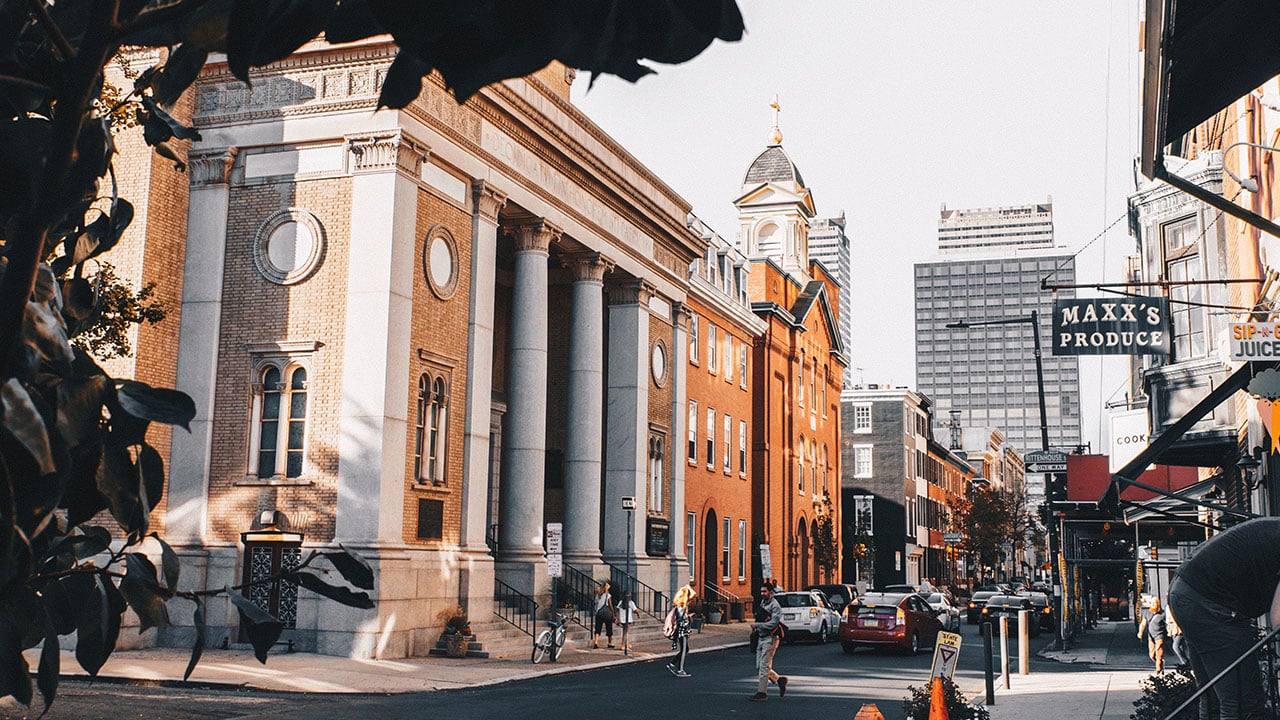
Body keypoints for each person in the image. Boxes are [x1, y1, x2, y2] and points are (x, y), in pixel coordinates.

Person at [1168, 517, 1280, 720]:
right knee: (1242, 703)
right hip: (1211, 602)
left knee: (1213, 699)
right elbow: (1278, 619)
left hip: (1187, 591)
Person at [748, 583, 788, 702]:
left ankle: (762, 693)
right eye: (761, 591)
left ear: (771, 592)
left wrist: (758, 625)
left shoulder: (775, 606)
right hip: (761, 637)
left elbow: (773, 623)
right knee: (759, 666)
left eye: (764, 591)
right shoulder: (763, 603)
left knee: (764, 666)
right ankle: (779, 680)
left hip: (770, 638)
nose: (762, 594)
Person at [666, 582, 695, 677]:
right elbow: (681, 620)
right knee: (684, 650)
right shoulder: (680, 607)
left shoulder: (681, 607)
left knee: (685, 649)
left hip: (682, 630)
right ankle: (680, 669)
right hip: (682, 631)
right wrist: (687, 587)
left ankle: (672, 664)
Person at [1137, 598, 1167, 673]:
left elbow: (1168, 623)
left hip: (1160, 636)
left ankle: (1158, 669)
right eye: (1151, 603)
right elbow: (1143, 624)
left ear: (1158, 604)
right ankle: (1161, 663)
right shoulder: (1147, 613)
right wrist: (1140, 632)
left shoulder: (1163, 614)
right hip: (1151, 637)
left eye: (1154, 603)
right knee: (1152, 655)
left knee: (1158, 653)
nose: (1153, 605)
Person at [1165, 599, 1189, 668]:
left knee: (1175, 646)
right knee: (1181, 646)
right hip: (1172, 628)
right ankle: (1184, 663)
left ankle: (1186, 661)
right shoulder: (1167, 606)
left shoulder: (1177, 606)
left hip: (1179, 628)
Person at [592, 581, 614, 649]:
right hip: (607, 613)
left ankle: (596, 642)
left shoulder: (598, 595)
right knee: (609, 627)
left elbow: (595, 603)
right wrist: (613, 613)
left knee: (598, 628)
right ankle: (609, 643)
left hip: (599, 613)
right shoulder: (608, 595)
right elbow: (610, 605)